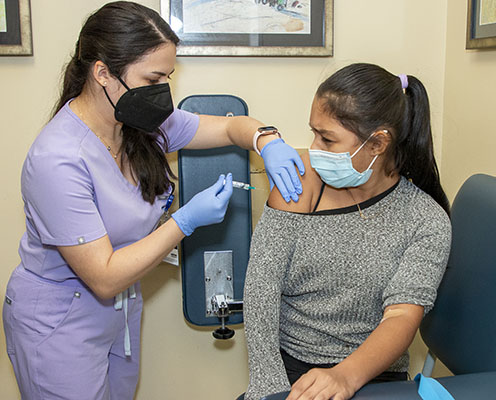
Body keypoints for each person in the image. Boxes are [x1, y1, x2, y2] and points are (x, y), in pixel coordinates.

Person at [1, 2, 304, 399]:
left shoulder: (141, 126)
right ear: (103, 73)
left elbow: (231, 127)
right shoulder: (57, 160)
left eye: (168, 77)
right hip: (59, 320)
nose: (162, 92)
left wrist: (268, 140)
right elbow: (104, 277)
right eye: (153, 77)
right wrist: (185, 222)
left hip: (120, 311)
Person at [243, 63, 452, 400]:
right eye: (313, 132)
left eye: (327, 138)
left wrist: (344, 377)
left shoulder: (425, 220)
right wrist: (268, 383)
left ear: (377, 143)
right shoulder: (299, 181)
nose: (313, 148)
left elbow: (401, 315)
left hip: (375, 373)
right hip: (291, 366)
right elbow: (262, 286)